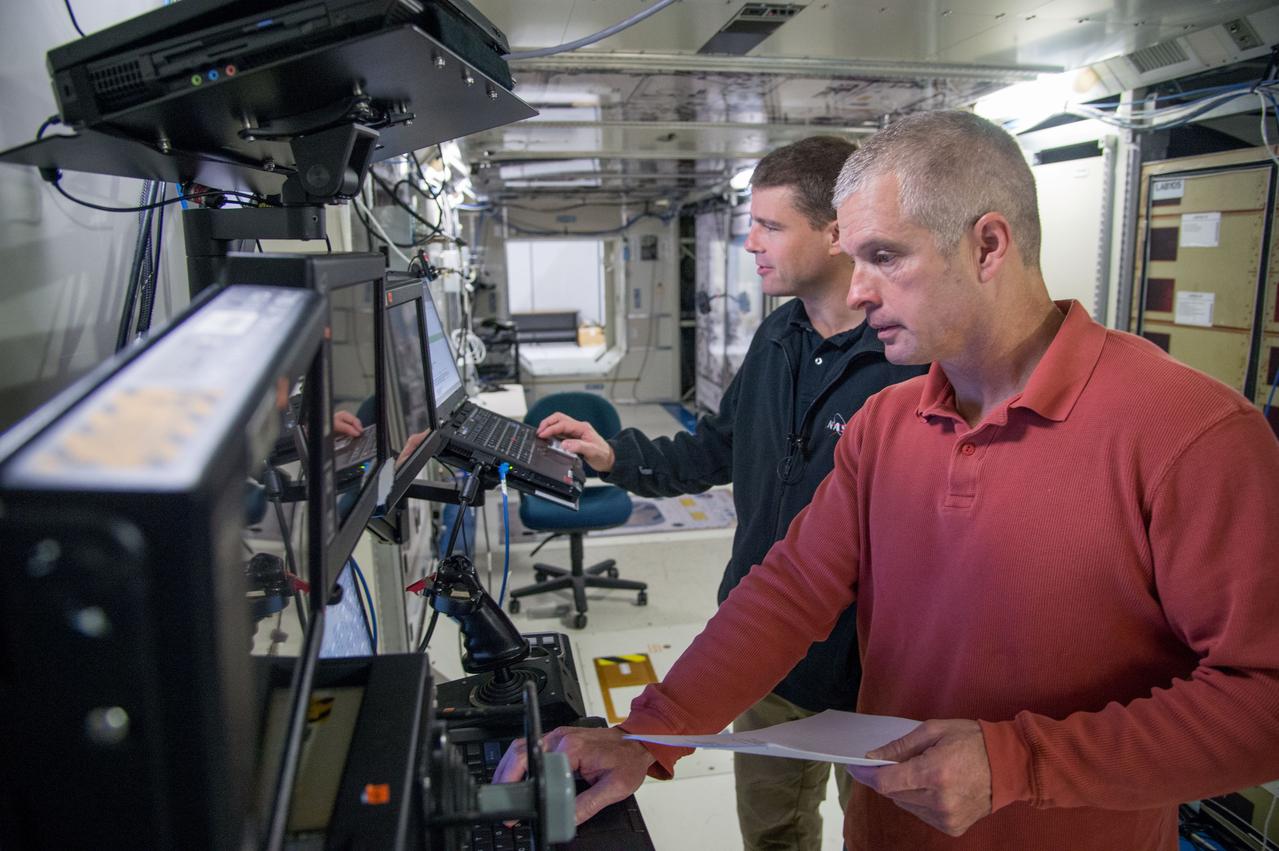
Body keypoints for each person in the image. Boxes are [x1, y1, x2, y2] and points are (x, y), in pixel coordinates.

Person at [496, 111, 1279, 851]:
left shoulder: (1189, 434)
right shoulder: (889, 422)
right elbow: (788, 590)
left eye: (884, 256)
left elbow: (1264, 697)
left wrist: (1020, 762)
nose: (859, 289)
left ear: (988, 246)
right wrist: (647, 734)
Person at [533, 135, 926, 850]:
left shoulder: (907, 362)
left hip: (875, 675)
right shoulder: (775, 335)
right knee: (772, 831)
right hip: (766, 654)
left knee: (883, 836)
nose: (749, 243)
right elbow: (714, 450)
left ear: (836, 231)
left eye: (770, 225)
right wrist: (613, 454)